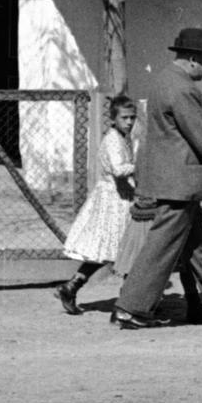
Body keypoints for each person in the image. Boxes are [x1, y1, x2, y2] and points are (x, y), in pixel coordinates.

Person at [112, 28, 202, 329]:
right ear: (194, 58)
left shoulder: (163, 80)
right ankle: (130, 307)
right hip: (180, 182)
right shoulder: (182, 89)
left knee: (197, 246)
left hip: (171, 179)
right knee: (160, 247)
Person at [56, 95, 140, 315]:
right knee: (127, 249)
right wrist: (140, 165)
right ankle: (128, 303)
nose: (129, 122)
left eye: (132, 118)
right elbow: (118, 168)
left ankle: (72, 286)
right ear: (113, 118)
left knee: (111, 251)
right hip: (114, 200)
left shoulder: (122, 137)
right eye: (125, 118)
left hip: (121, 197)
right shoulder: (113, 139)